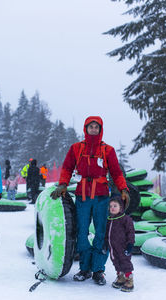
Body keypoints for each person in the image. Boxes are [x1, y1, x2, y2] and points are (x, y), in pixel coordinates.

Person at [51, 116, 130, 285]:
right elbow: (66, 167)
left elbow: (116, 173)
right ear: (85, 128)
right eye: (90, 126)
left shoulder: (108, 150)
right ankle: (85, 269)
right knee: (81, 232)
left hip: (102, 197)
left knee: (101, 233)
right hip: (83, 196)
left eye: (96, 127)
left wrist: (123, 189)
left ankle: (98, 270)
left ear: (100, 130)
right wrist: (63, 184)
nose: (93, 129)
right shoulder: (76, 148)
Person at [104, 196, 135, 292]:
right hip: (113, 247)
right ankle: (121, 277)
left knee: (125, 262)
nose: (112, 208)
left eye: (115, 206)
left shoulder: (125, 219)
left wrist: (130, 244)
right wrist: (105, 244)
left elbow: (131, 232)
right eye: (110, 206)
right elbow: (107, 233)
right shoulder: (109, 219)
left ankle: (129, 280)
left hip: (123, 247)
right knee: (116, 262)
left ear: (121, 207)